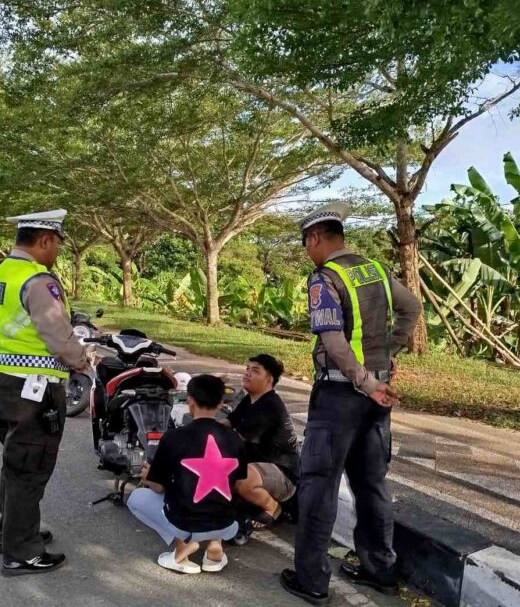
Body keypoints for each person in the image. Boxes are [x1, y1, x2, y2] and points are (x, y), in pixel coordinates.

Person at [280, 202, 422, 605]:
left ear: (315, 238)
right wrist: (387, 353)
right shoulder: (374, 269)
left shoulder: (324, 279)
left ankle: (311, 580)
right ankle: (380, 570)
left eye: (306, 244)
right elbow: (411, 307)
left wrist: (362, 380)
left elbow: (333, 340)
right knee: (371, 484)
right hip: (377, 397)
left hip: (341, 395)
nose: (308, 251)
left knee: (319, 486)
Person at [0, 209, 92, 576]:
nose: (58, 251)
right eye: (57, 244)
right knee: (29, 469)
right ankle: (21, 552)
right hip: (32, 388)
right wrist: (82, 361)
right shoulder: (37, 280)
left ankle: (12, 533)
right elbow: (55, 333)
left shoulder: (1, 273)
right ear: (44, 240)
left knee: (15, 464)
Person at [128, 374, 248, 574]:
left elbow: (159, 487)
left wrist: (148, 477)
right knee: (217, 492)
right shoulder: (234, 438)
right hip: (227, 523)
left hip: (186, 522)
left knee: (136, 499)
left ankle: (183, 546)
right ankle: (214, 546)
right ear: (220, 403)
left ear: (190, 400)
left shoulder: (174, 437)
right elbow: (238, 483)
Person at [223, 354, 299, 532]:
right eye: (247, 369)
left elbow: (236, 438)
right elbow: (228, 423)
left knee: (240, 478)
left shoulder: (270, 406)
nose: (247, 374)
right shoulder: (250, 399)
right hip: (258, 467)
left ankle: (273, 508)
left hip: (284, 474)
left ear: (269, 379)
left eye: (255, 371)